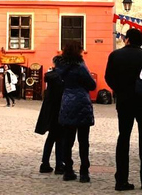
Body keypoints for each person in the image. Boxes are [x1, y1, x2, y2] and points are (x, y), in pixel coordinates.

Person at [104, 28, 142, 191]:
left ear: (127, 39)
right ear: (141, 41)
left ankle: (121, 180)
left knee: (123, 138)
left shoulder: (115, 55)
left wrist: (120, 90)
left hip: (124, 102)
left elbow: (108, 77)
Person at [58, 41, 96, 183]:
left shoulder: (61, 67)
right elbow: (92, 85)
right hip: (81, 103)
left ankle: (68, 170)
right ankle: (84, 172)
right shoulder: (80, 66)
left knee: (67, 140)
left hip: (67, 103)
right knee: (83, 141)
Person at [35, 55, 65, 175]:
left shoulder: (50, 76)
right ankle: (59, 165)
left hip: (49, 111)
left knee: (51, 138)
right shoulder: (62, 77)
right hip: (60, 110)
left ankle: (45, 163)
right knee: (60, 139)